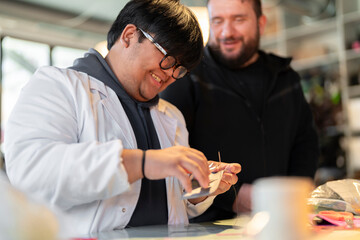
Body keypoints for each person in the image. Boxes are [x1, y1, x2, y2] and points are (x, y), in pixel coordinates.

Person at [4, 0, 241, 234]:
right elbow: (32, 173)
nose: (170, 74)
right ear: (129, 36)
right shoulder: (57, 86)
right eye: (168, 57)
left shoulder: (171, 116)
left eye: (179, 69)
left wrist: (201, 190)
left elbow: (175, 207)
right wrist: (145, 163)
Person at [161, 0, 319, 222]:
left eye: (239, 19)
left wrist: (293, 193)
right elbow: (170, 152)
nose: (227, 32)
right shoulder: (186, 76)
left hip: (280, 218)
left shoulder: (286, 78)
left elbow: (306, 143)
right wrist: (229, 195)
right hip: (210, 225)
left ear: (261, 23)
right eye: (218, 21)